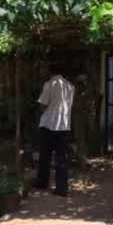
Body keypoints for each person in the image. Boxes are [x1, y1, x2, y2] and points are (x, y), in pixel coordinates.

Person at [33, 62, 75, 196]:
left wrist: (39, 112)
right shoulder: (70, 86)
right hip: (64, 125)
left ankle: (42, 182)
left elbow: (43, 105)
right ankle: (62, 189)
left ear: (50, 70)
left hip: (49, 125)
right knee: (62, 157)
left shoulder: (50, 84)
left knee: (45, 156)